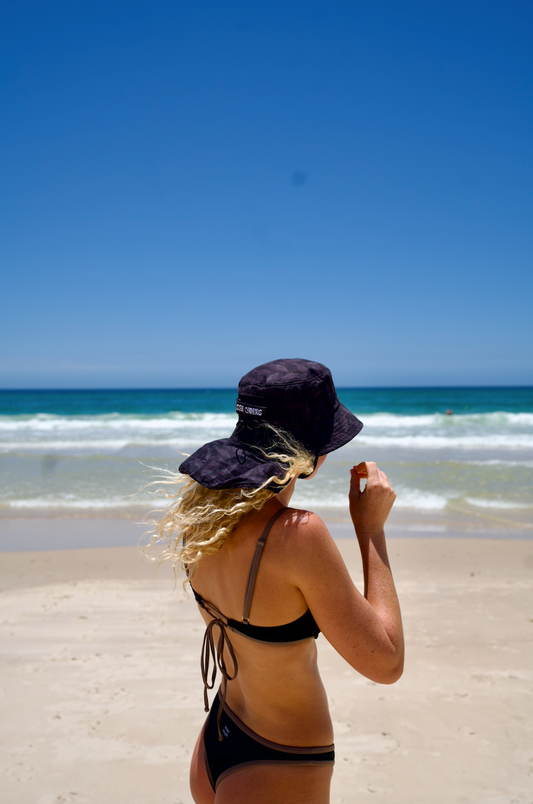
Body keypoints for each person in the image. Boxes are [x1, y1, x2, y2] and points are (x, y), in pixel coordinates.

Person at [150, 358, 404, 804]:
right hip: (280, 762)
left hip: (218, 737)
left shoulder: (201, 519)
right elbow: (386, 664)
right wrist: (371, 530)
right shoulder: (297, 535)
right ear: (312, 456)